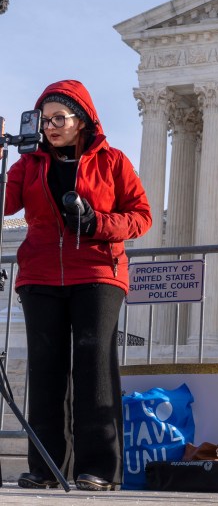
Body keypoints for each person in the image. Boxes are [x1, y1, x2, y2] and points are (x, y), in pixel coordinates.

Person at [5, 80, 152, 491]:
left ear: (82, 119)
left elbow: (141, 217)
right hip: (40, 274)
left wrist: (97, 223)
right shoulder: (28, 164)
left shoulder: (113, 161)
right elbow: (5, 205)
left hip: (98, 272)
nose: (50, 126)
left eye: (59, 118)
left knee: (93, 365)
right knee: (46, 369)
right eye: (44, 119)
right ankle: (47, 466)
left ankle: (100, 469)